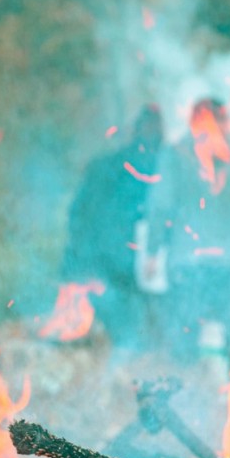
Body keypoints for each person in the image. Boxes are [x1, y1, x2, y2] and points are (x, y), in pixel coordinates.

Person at [148, 98, 230, 372]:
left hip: (192, 261)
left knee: (185, 339)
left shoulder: (177, 154)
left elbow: (161, 206)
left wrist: (152, 251)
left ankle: (193, 401)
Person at [62, 104, 164, 356]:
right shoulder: (144, 168)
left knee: (120, 336)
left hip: (109, 264)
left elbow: (76, 215)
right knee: (125, 337)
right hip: (115, 265)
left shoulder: (104, 165)